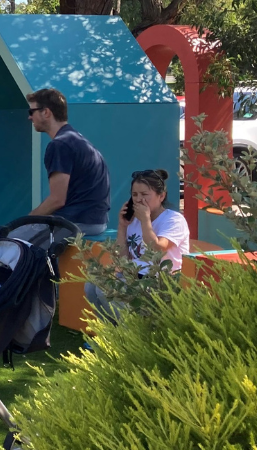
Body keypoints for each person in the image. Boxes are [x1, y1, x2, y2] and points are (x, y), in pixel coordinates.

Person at [84, 169, 189, 322]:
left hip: (162, 280)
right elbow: (123, 259)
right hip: (134, 275)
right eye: (135, 195)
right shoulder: (134, 220)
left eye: (145, 194)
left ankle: (128, 335)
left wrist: (146, 221)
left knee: (105, 290)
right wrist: (122, 226)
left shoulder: (173, 220)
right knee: (92, 285)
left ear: (161, 196)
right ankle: (110, 334)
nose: (139, 200)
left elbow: (157, 248)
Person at [19, 88, 112, 239]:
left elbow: (57, 199)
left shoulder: (60, 145)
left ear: (46, 112)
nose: (29, 117)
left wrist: (25, 221)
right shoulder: (75, 139)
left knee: (12, 238)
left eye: (32, 112)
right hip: (96, 222)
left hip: (77, 224)